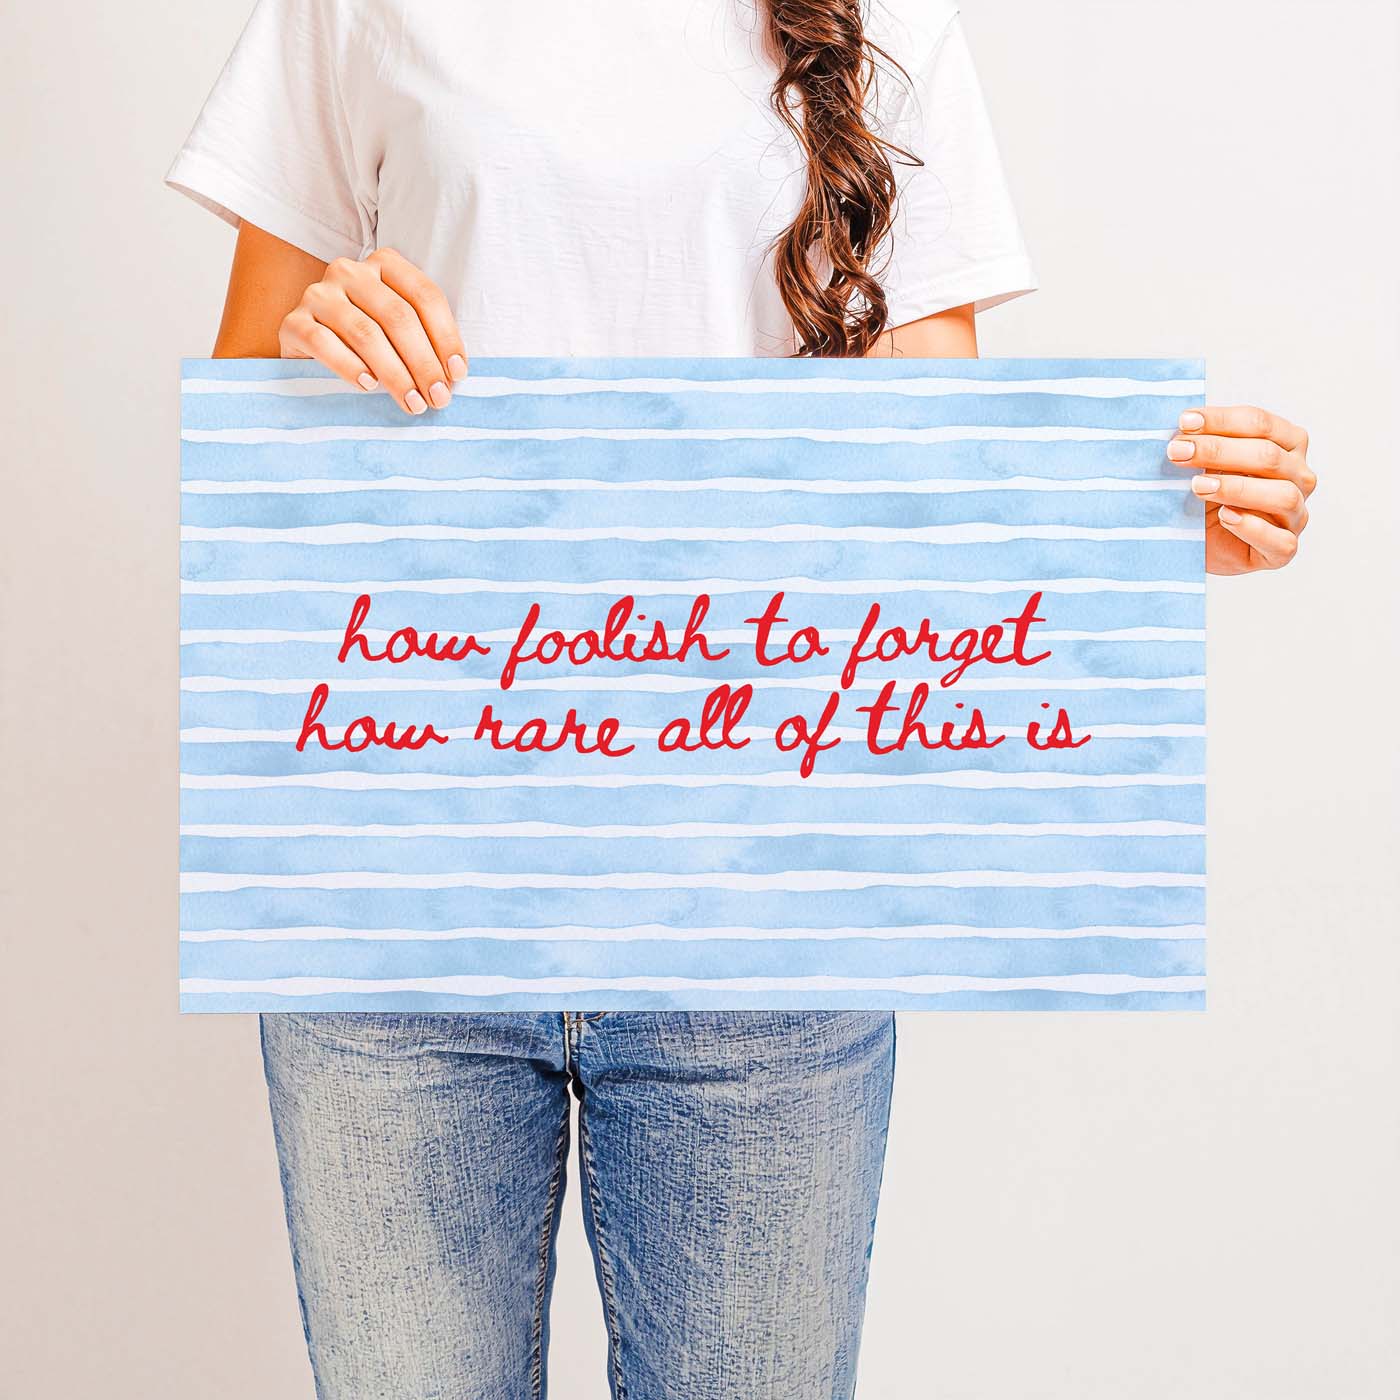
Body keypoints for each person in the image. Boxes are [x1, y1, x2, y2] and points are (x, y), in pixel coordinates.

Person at [168, 2, 1316, 1396]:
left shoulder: (889, 21)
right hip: (404, 894)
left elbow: (931, 465)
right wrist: (319, 337)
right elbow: (246, 419)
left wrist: (1144, 532)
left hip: (757, 912)